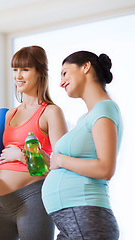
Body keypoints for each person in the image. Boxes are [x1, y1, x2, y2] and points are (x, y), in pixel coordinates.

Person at [0, 46, 67, 239]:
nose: (18, 76)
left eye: (25, 69)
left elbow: (63, 166)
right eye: (15, 69)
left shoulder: (50, 112)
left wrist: (24, 157)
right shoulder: (8, 115)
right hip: (2, 203)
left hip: (33, 199)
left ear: (40, 72)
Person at [42, 51, 123, 239]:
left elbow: (105, 168)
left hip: (85, 217)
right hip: (74, 219)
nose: (61, 82)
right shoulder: (85, 118)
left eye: (65, 73)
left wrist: (60, 160)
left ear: (86, 67)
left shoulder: (105, 108)